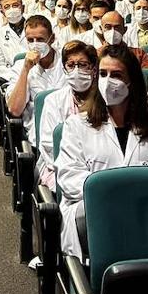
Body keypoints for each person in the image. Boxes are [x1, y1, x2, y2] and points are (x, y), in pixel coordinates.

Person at [57, 44, 148, 258]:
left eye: (116, 75)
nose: (108, 81)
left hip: (147, 215)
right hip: (94, 213)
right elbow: (70, 179)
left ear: (131, 81)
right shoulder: (76, 125)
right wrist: (118, 196)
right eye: (103, 74)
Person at [35, 41, 99, 189]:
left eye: (83, 65)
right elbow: (49, 146)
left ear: (94, 69)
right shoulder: (54, 101)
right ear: (64, 69)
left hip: (100, 169)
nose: (76, 70)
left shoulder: (105, 99)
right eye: (71, 65)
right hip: (60, 168)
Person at [6, 15, 66, 139]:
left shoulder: (67, 63)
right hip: (38, 129)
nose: (35, 44)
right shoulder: (19, 67)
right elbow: (14, 109)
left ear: (52, 38)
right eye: (30, 40)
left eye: (40, 39)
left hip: (67, 124)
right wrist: (26, 69)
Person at [0, 0, 29, 83]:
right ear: (2, 12)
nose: (12, 9)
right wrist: (14, 76)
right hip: (13, 79)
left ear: (23, 8)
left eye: (15, 5)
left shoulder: (37, 28)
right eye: (7, 7)